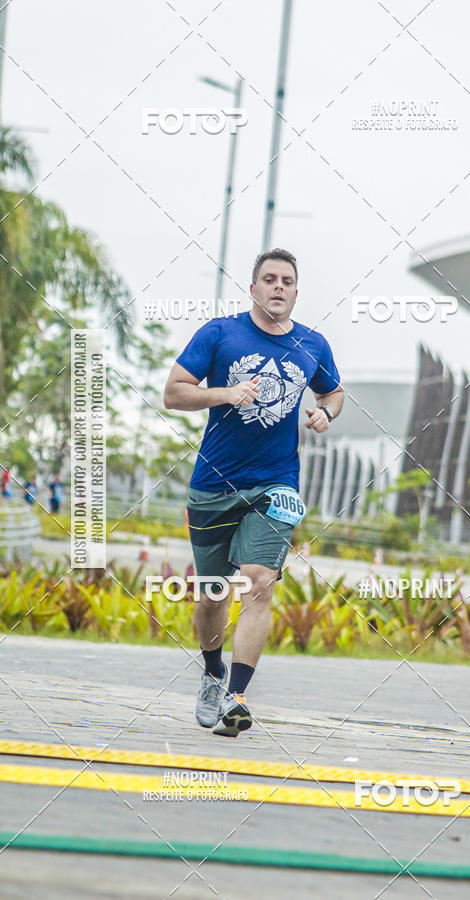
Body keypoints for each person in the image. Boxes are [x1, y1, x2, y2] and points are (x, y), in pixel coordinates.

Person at [164, 248, 344, 737]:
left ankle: (237, 697)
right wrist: (225, 393)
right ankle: (211, 671)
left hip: (276, 482)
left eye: (287, 280)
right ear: (254, 288)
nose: (278, 287)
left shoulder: (312, 344)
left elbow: (333, 391)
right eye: (269, 279)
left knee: (259, 580)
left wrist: (326, 412)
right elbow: (174, 392)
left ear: (296, 291)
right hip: (213, 485)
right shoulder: (220, 334)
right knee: (213, 595)